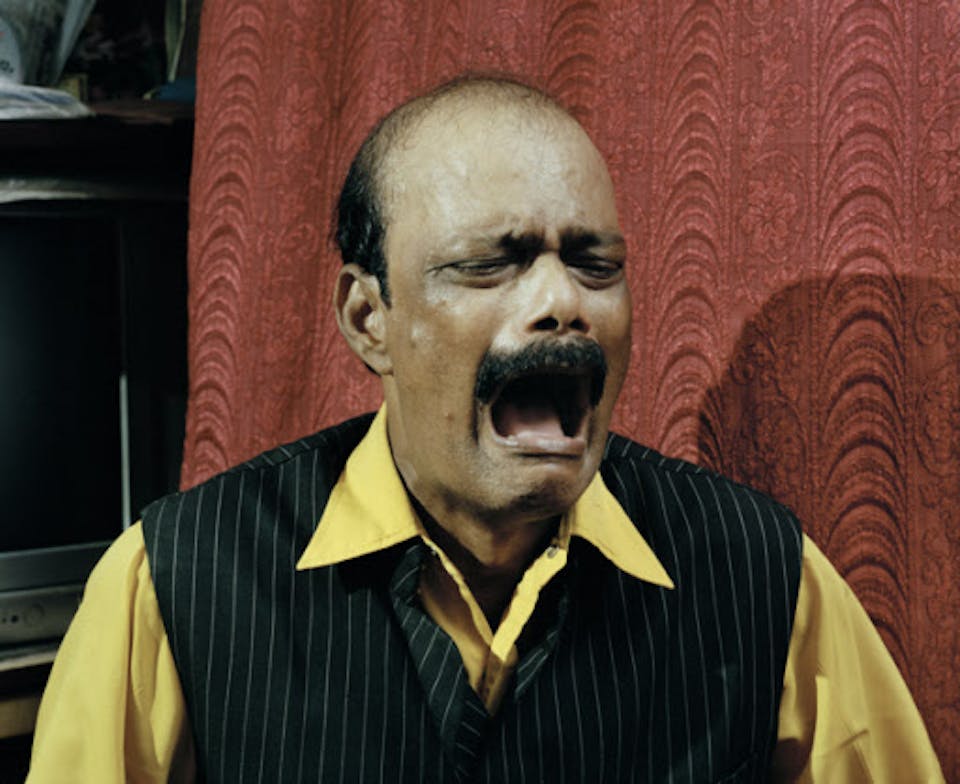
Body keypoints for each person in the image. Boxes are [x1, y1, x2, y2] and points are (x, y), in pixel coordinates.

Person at [28, 76, 943, 783]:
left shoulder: (764, 576)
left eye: (594, 263)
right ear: (368, 319)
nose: (561, 301)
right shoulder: (178, 583)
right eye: (488, 265)